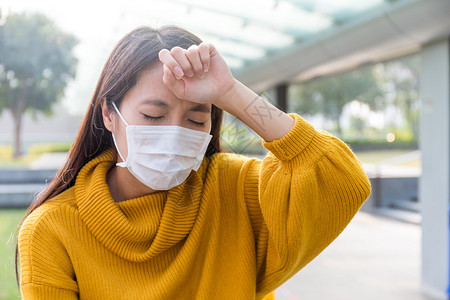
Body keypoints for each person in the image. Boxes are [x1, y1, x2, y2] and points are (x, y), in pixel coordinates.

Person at [16, 25, 371, 300]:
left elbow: (341, 178)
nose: (174, 134)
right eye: (154, 115)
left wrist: (231, 93)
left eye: (196, 119)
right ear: (109, 114)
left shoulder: (235, 188)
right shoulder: (52, 230)